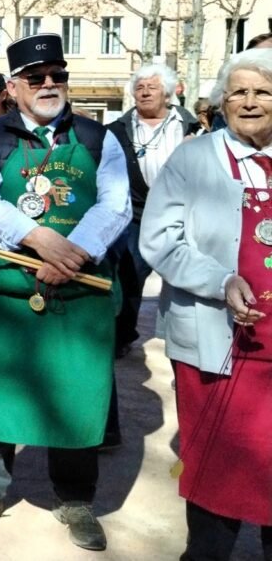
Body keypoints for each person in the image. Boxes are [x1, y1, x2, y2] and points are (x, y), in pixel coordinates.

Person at [0, 34, 130, 551]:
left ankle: (75, 497)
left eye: (58, 75)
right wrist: (39, 239)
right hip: (7, 290)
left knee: (79, 388)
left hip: (79, 287)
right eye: (36, 78)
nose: (49, 85)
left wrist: (71, 254)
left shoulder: (99, 138)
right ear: (13, 87)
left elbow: (115, 204)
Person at [140, 49, 272, 561]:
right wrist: (221, 280)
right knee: (219, 465)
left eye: (262, 91)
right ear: (221, 100)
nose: (250, 101)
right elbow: (159, 241)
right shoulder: (193, 159)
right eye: (238, 91)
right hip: (216, 344)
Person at [107, 65, 200, 358]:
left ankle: (186, 348)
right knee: (128, 276)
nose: (145, 92)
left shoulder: (192, 128)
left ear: (169, 93)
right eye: (140, 87)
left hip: (182, 213)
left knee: (184, 280)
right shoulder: (116, 130)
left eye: (153, 87)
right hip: (135, 215)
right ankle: (121, 337)